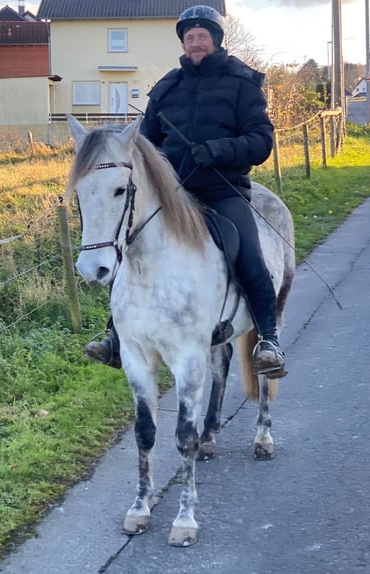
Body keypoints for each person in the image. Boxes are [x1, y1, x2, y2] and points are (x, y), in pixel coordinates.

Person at [85, 4, 286, 377]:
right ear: (183, 42)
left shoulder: (242, 84)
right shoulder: (167, 88)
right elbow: (144, 146)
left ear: (216, 40)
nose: (195, 42)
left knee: (249, 256)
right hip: (171, 197)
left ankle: (268, 340)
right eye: (189, 37)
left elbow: (261, 142)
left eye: (202, 36)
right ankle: (115, 334)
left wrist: (218, 151)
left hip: (223, 190)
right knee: (129, 249)